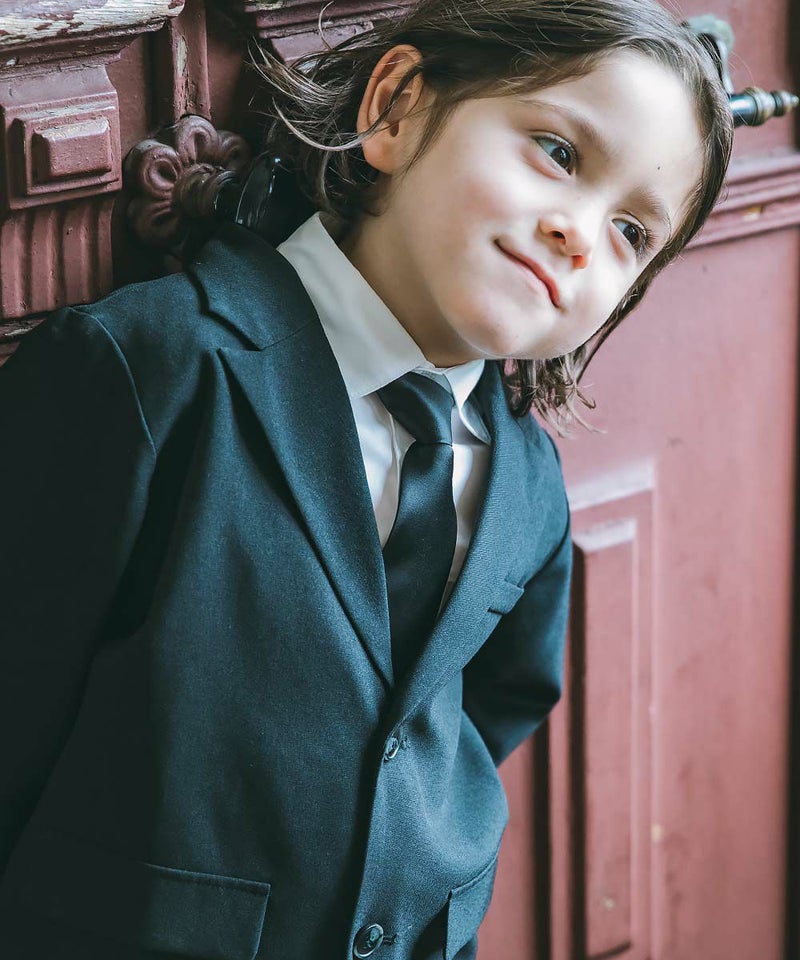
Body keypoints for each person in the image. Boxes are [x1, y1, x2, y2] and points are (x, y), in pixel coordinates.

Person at [0, 1, 732, 958]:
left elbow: (493, 700)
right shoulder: (151, 371)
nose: (581, 234)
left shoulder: (526, 480)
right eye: (558, 152)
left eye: (633, 231)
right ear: (397, 109)